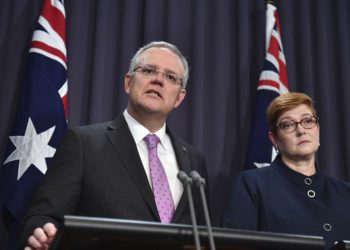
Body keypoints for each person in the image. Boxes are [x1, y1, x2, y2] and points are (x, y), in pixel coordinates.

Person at [20, 41, 209, 249]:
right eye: (148, 70)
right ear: (128, 82)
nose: (158, 80)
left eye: (171, 77)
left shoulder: (194, 162)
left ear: (179, 98)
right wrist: (42, 234)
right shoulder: (84, 144)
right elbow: (44, 217)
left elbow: (201, 235)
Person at [222, 92, 350, 248]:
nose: (301, 130)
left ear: (318, 129)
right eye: (288, 125)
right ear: (274, 139)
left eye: (308, 121)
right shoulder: (252, 185)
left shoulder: (345, 192)